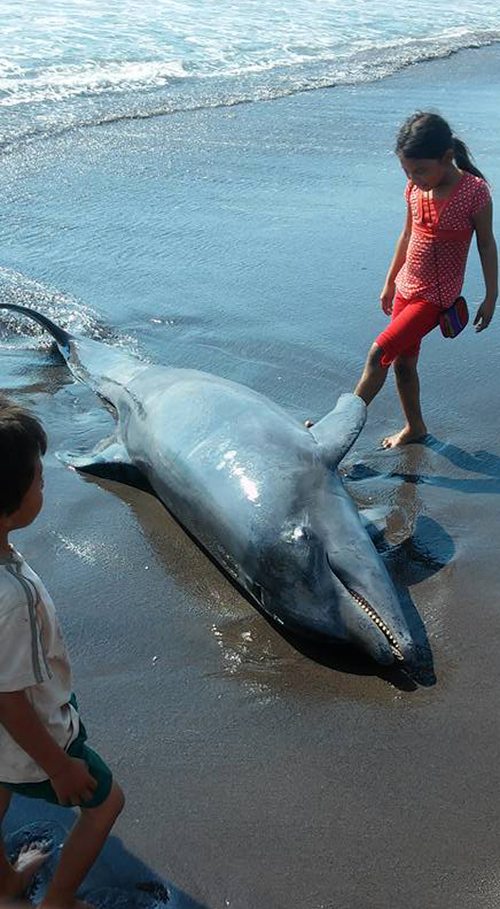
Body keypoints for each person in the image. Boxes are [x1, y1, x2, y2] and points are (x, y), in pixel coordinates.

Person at [0, 396, 124, 908]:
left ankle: (5, 886)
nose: (44, 484)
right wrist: (58, 767)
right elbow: (8, 699)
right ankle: (59, 903)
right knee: (106, 803)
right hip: (37, 738)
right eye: (39, 478)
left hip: (2, 749)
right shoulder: (12, 596)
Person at [353, 111, 498, 448]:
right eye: (407, 171)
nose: (414, 178)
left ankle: (338, 424)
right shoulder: (415, 189)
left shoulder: (474, 193)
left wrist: (492, 296)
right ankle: (415, 428)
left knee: (379, 354)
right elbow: (406, 235)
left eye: (420, 170)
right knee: (404, 363)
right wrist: (390, 281)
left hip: (436, 296)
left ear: (447, 157)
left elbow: (487, 244)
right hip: (407, 286)